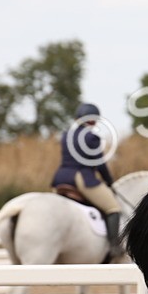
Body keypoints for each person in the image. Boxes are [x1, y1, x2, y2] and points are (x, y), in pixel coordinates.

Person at [51, 103, 122, 257]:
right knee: (113, 208)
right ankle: (115, 247)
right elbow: (100, 164)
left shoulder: (65, 135)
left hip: (61, 178)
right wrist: (109, 182)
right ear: (94, 120)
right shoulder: (92, 137)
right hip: (81, 178)